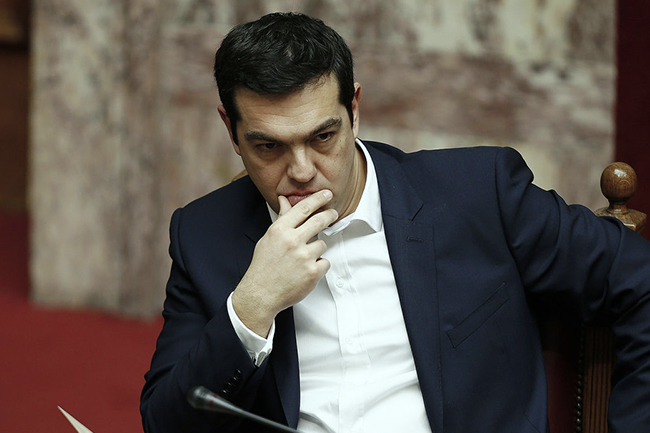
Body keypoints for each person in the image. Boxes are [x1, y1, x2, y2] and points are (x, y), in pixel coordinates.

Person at [140, 12, 650, 433]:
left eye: (323, 137)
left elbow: (640, 279)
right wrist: (252, 306)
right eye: (268, 145)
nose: (301, 171)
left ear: (354, 108)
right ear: (231, 131)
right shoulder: (203, 235)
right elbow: (166, 422)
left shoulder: (478, 193)